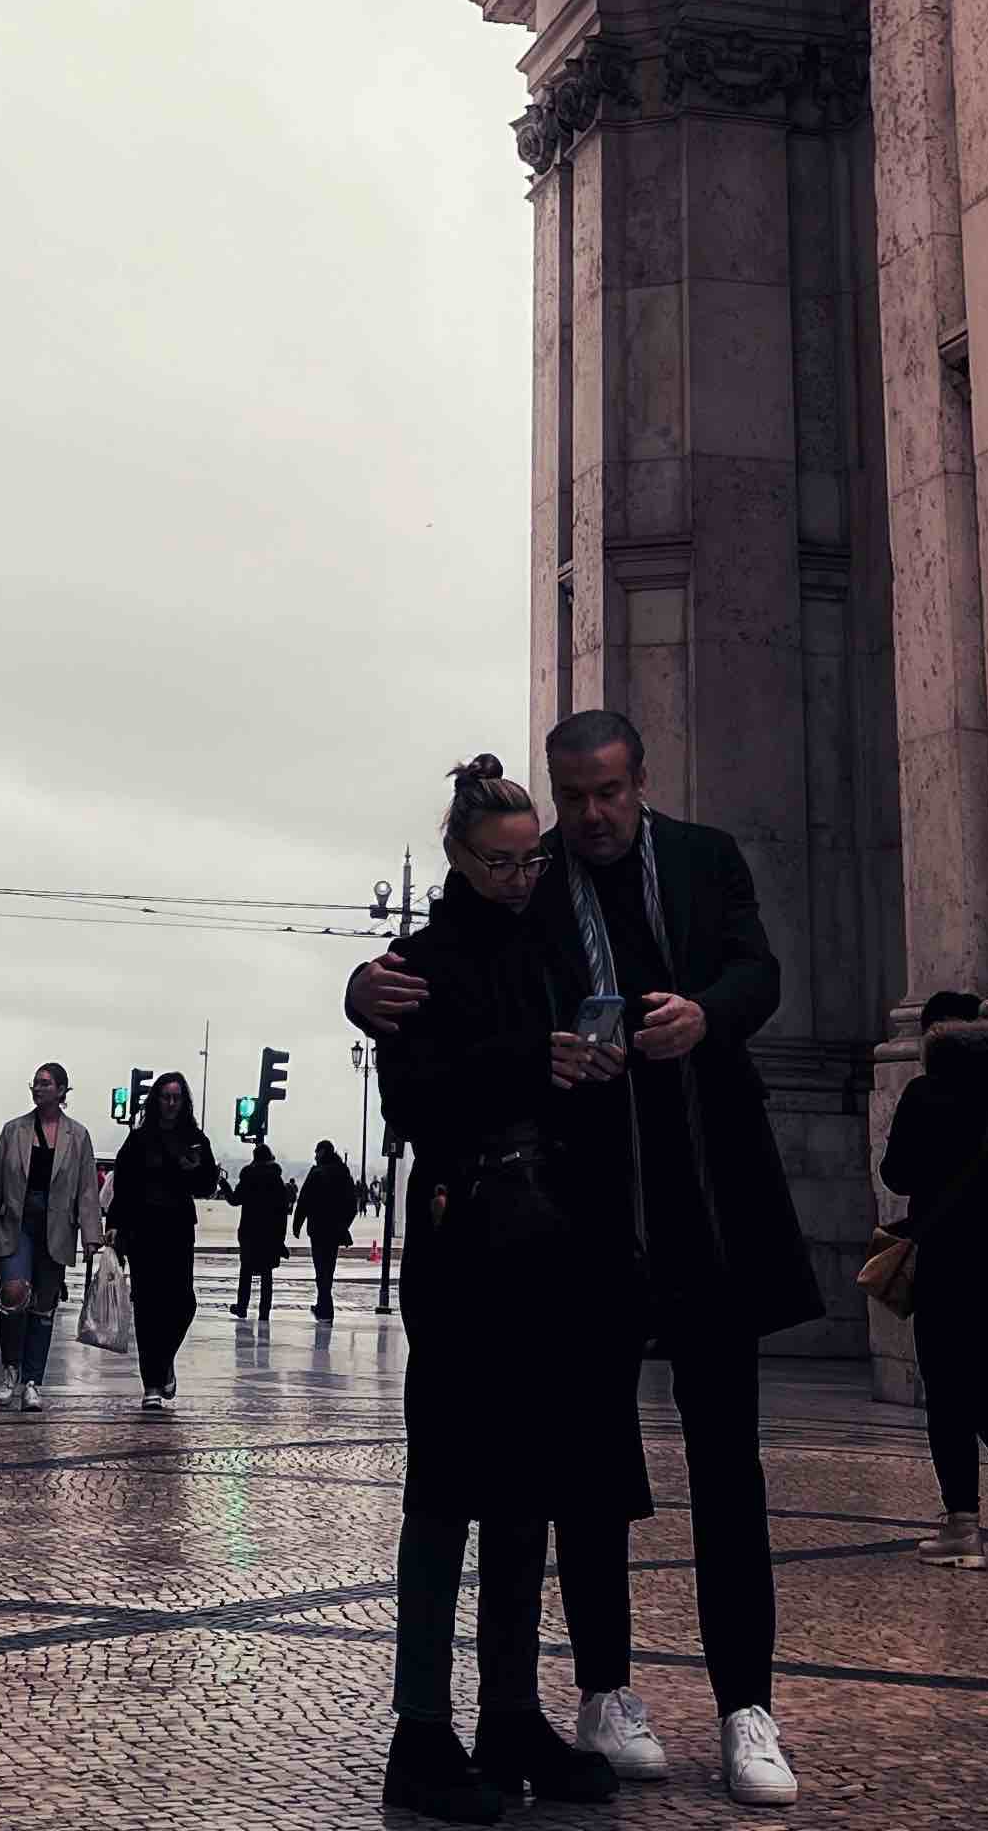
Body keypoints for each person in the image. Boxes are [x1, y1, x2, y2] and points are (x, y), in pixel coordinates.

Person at [353, 706, 815, 1811]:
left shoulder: (685, 867)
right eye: (573, 801)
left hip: (663, 1208)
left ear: (642, 780)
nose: (588, 821)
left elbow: (757, 970)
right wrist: (362, 995)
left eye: (611, 793)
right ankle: (510, 1713)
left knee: (638, 1471)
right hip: (530, 1231)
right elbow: (429, 1024)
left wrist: (702, 1017)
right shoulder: (497, 909)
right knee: (513, 1475)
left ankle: (672, 1707)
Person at [374, 752, 631, 1824]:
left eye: (533, 861)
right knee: (445, 1491)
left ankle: (513, 1714)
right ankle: (422, 1733)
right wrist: (542, 1061)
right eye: (501, 862)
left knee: (528, 1487)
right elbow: (415, 1103)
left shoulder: (550, 950)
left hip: (552, 1252)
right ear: (458, 857)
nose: (522, 878)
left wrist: (592, 1064)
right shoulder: (415, 963)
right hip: (463, 1249)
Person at [879, 991, 988, 1566]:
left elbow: (896, 1172)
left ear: (933, 1037)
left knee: (949, 1391)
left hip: (949, 1260)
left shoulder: (924, 1094)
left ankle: (965, 1525)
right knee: (983, 1384)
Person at [0, 1061, 103, 1415]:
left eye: (46, 1083)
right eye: (36, 1082)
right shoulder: (14, 1131)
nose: (39, 1088)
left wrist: (92, 1234)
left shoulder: (78, 1136)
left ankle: (33, 1380)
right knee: (13, 1293)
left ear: (62, 1091)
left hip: (56, 1228)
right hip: (17, 1225)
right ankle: (10, 1368)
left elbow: (86, 1190)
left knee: (44, 1306)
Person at [109, 1070, 228, 1411]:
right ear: (156, 1100)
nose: (171, 1103)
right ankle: (152, 1384)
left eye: (177, 1097)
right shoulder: (138, 1139)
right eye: (165, 1096)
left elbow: (207, 1186)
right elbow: (124, 1185)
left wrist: (195, 1168)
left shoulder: (194, 1138)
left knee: (182, 1302)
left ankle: (164, 1361)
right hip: (143, 1229)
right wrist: (115, 1225)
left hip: (177, 1227)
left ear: (183, 1101)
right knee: (147, 1306)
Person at [299, 1139, 363, 1319]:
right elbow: (352, 1204)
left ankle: (325, 1307)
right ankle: (324, 1305)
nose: (315, 1155)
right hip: (335, 1231)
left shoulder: (316, 1172)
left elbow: (304, 1199)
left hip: (318, 1230)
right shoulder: (343, 1173)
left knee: (321, 1269)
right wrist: (343, 1225)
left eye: (317, 1151)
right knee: (328, 1268)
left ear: (323, 1152)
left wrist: (298, 1223)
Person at [236, 1134, 295, 1325]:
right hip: (270, 1233)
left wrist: (224, 1186)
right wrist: (280, 1239)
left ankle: (242, 1306)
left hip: (249, 1231)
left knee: (246, 1271)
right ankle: (264, 1312)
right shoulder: (277, 1180)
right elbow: (281, 1212)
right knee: (267, 1274)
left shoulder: (248, 1175)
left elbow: (236, 1199)